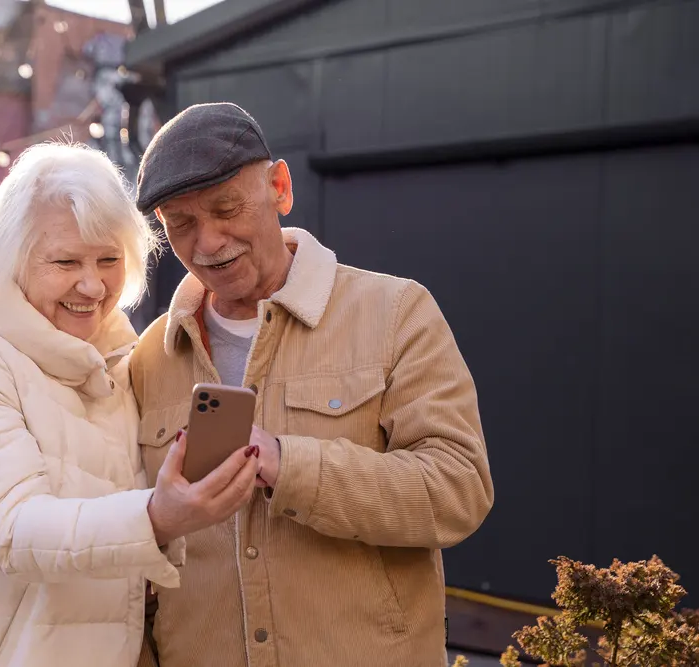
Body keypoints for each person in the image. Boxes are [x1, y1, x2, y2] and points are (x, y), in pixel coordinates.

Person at [0, 143, 260, 667]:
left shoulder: (117, 359)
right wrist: (157, 518)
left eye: (110, 260)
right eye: (66, 261)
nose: (92, 285)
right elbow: (12, 528)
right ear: (10, 259)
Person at [129, 103, 494, 667]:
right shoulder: (148, 356)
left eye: (227, 208)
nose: (207, 243)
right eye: (180, 224)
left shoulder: (396, 313)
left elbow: (458, 490)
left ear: (280, 187)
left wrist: (285, 462)